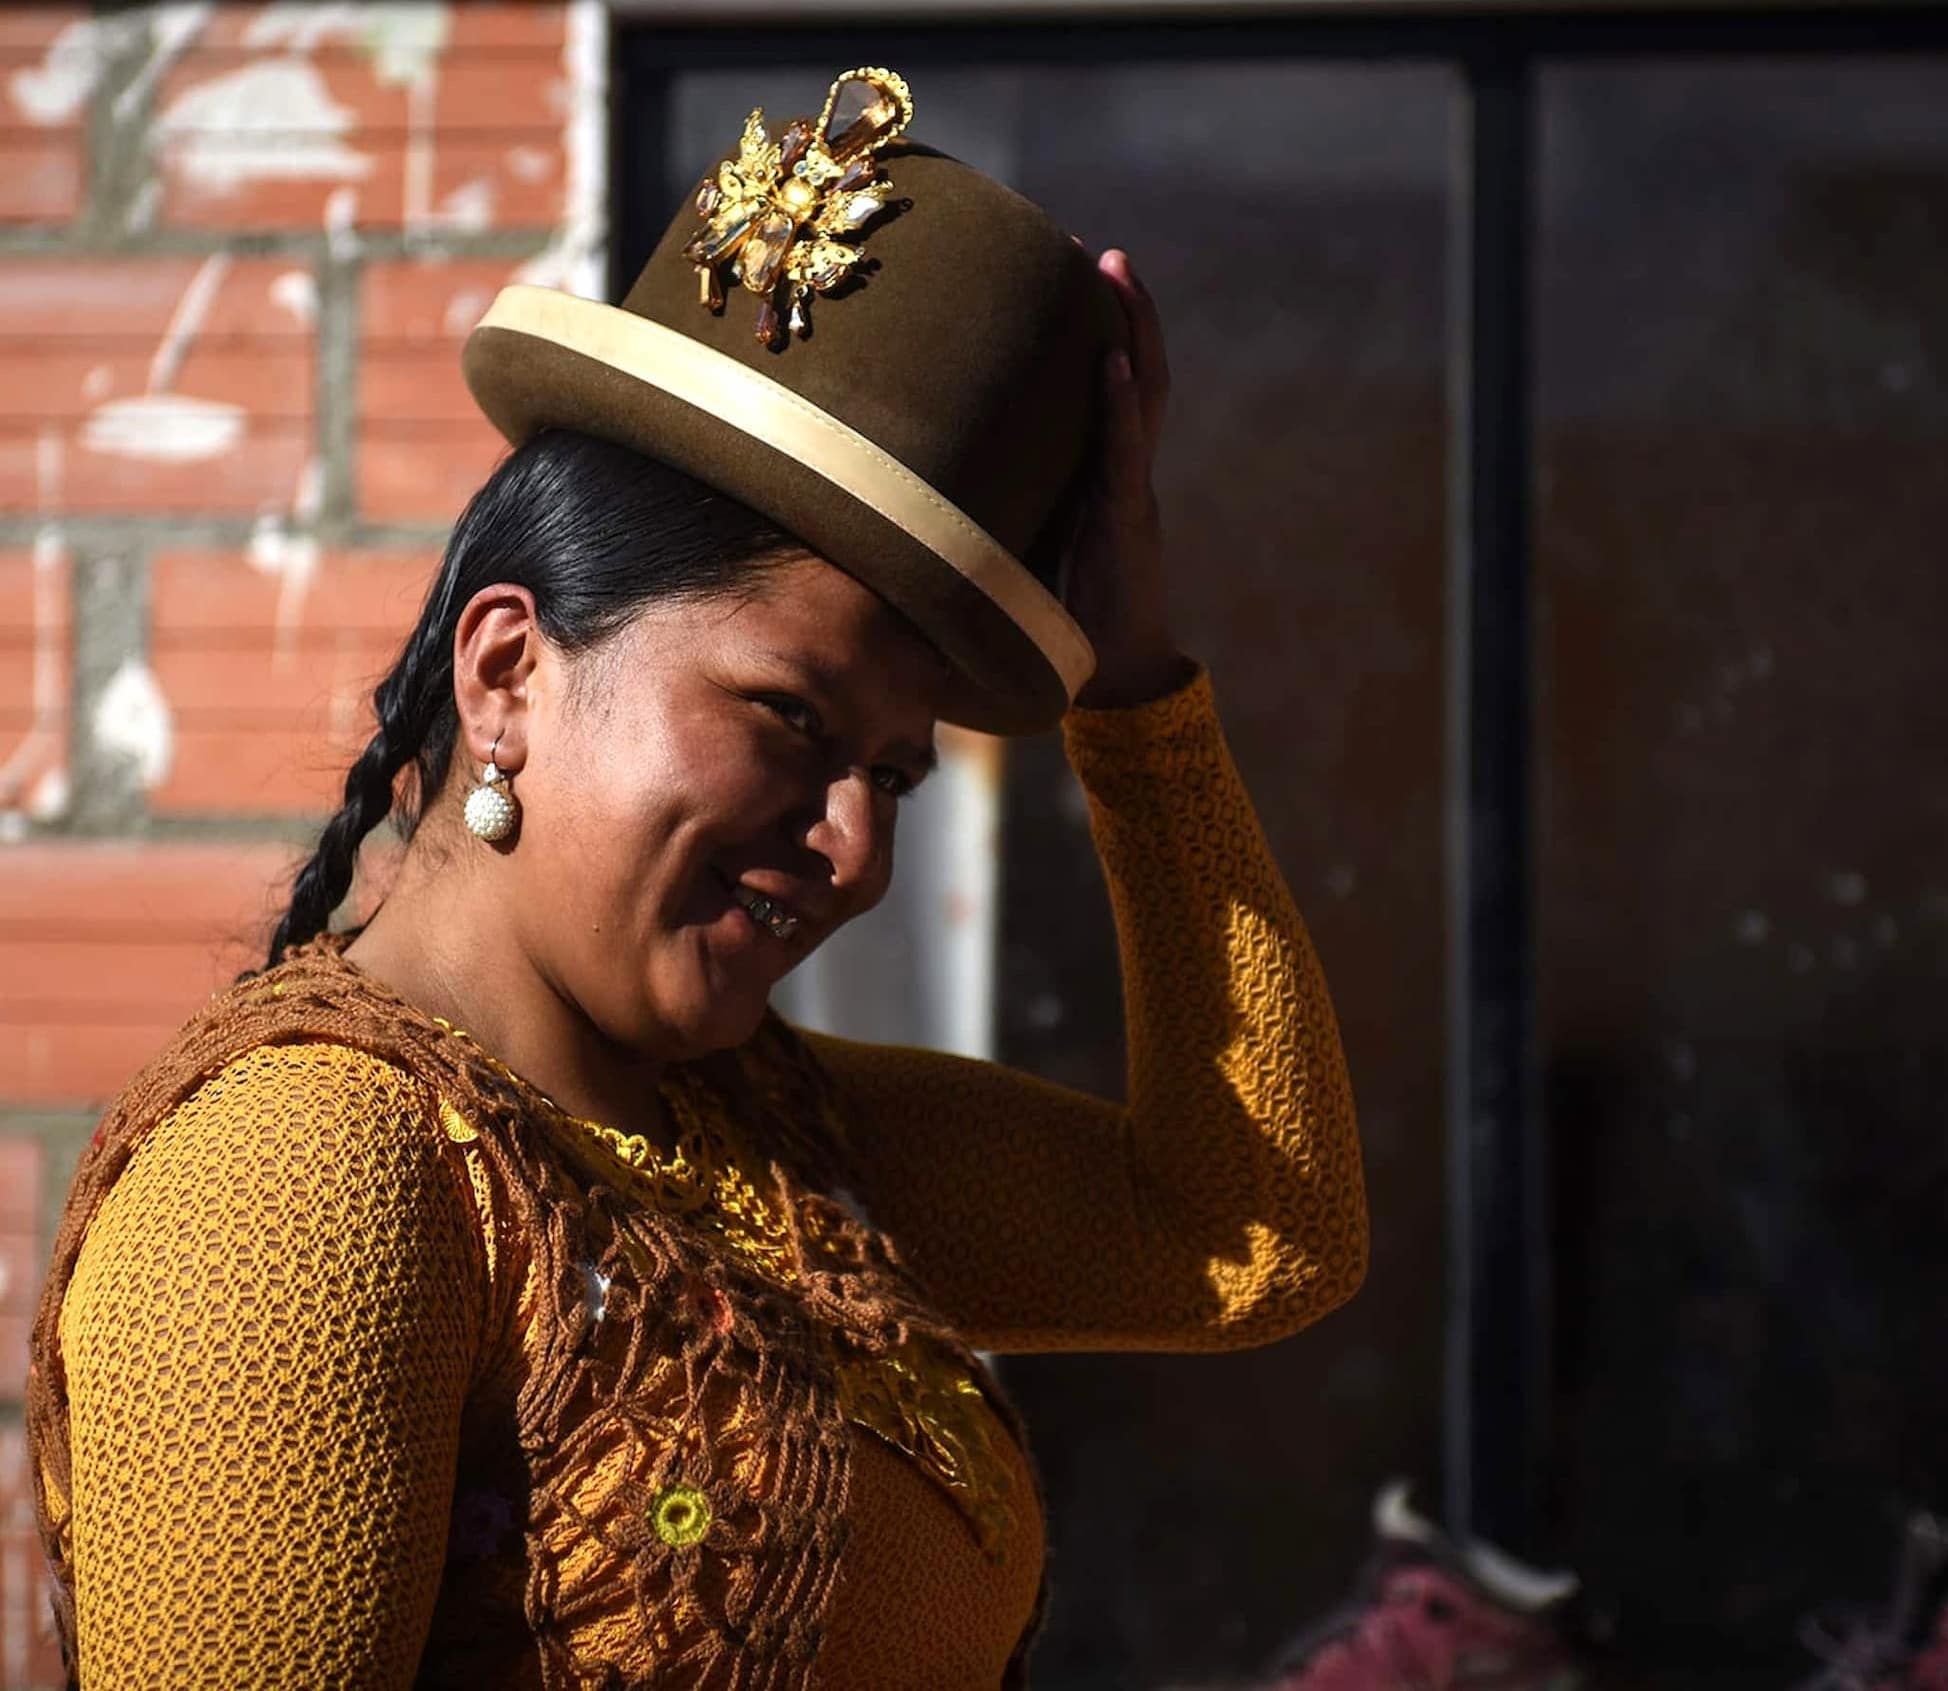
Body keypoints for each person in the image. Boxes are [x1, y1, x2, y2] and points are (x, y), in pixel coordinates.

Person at [27, 68, 1366, 1689]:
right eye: (790, 722)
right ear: (510, 670)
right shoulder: (308, 1179)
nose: (857, 850)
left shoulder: (786, 1151)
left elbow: (1250, 1232)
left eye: (891, 775)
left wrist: (1135, 692)